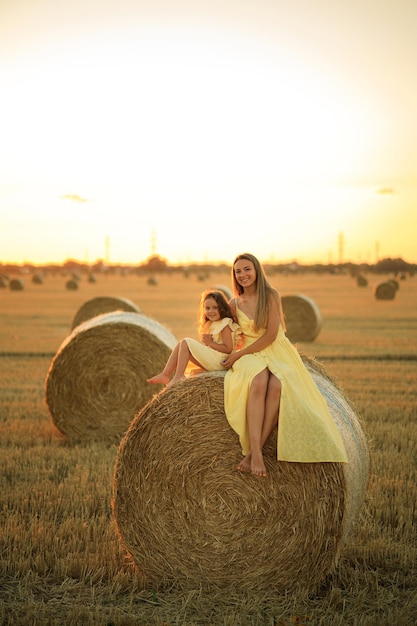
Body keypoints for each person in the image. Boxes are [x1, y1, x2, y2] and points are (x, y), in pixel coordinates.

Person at [222, 252, 347, 477]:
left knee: (278, 386)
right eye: (238, 271)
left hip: (274, 349)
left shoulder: (270, 295)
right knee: (258, 381)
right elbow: (228, 335)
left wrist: (240, 354)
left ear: (257, 270)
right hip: (250, 354)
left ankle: (255, 452)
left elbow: (270, 336)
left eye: (247, 269)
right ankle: (256, 452)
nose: (242, 275)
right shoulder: (233, 304)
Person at [147, 289, 242, 387]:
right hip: (214, 359)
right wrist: (209, 344)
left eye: (215, 308)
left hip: (222, 361)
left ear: (222, 308)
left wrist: (210, 343)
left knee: (185, 342)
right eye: (207, 308)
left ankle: (179, 376)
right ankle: (165, 374)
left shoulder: (225, 323)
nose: (211, 311)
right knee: (181, 345)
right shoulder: (211, 324)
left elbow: (228, 348)